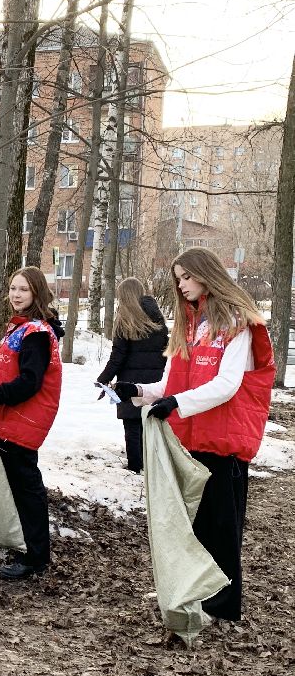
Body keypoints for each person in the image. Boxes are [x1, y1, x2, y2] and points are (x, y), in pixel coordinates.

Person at [114, 248, 273, 623]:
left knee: (222, 525)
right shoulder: (190, 324)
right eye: (178, 278)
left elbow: (227, 385)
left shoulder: (238, 323)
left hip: (224, 443)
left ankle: (222, 605)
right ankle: (199, 591)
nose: (181, 285)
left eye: (186, 277)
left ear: (206, 274)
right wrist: (136, 390)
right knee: (196, 523)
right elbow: (170, 383)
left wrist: (175, 404)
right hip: (192, 441)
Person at [0, 266, 63, 580]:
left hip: (23, 422)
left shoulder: (36, 334)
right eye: (13, 288)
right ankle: (25, 546)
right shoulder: (22, 328)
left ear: (36, 293)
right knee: (18, 487)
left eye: (23, 289)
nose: (16, 295)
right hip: (11, 419)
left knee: (26, 489)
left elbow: (30, 382)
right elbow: (13, 372)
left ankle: (35, 556)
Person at [95, 277, 168, 473]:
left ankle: (136, 466)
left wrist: (103, 379)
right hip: (155, 380)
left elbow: (117, 357)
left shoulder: (125, 320)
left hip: (129, 382)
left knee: (132, 426)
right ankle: (153, 465)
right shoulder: (158, 318)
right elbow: (165, 349)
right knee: (151, 422)